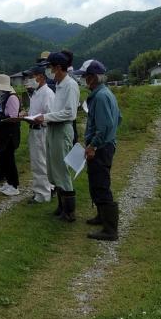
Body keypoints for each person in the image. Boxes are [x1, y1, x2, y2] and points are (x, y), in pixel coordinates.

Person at [74, 59, 122, 241]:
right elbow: (118, 119)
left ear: (93, 78)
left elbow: (104, 126)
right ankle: (102, 216)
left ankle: (110, 230)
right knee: (97, 182)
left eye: (85, 76)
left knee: (101, 184)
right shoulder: (105, 93)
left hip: (101, 147)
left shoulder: (100, 97)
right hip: (106, 145)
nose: (83, 80)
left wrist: (93, 145)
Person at [34, 51, 80, 222]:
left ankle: (70, 211)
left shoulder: (70, 85)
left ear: (59, 67)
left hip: (62, 130)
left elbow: (69, 112)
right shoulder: (60, 85)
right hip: (53, 128)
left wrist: (45, 117)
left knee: (61, 169)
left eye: (51, 67)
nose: (49, 71)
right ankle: (61, 206)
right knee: (53, 169)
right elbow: (57, 110)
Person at [21, 66, 55, 204]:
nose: (28, 80)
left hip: (41, 130)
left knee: (40, 163)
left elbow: (51, 114)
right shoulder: (36, 93)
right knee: (41, 161)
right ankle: (49, 189)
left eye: (31, 77)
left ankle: (42, 194)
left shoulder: (47, 93)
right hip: (35, 129)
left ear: (40, 77)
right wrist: (27, 115)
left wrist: (40, 118)